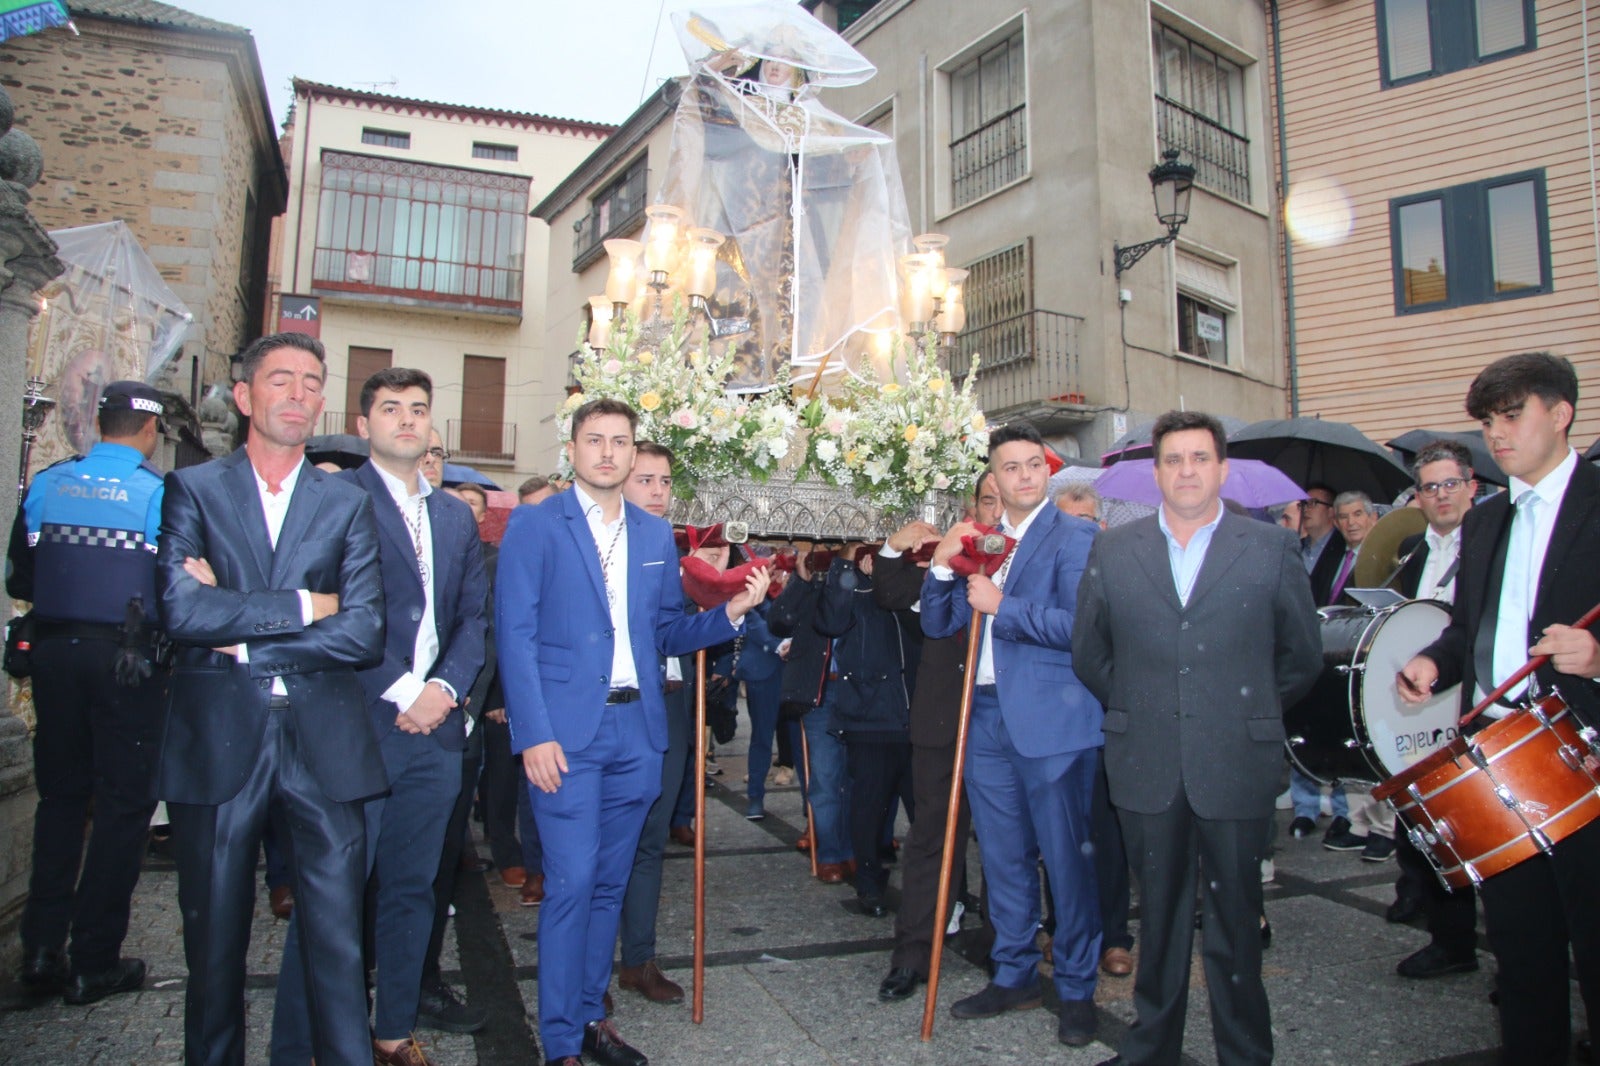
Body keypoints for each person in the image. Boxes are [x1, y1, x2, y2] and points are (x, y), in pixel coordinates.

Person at [496, 398, 770, 1066]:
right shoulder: (537, 527)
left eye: (621, 441)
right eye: (596, 440)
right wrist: (532, 733)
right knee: (571, 883)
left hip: (638, 731)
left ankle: (591, 1020)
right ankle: (560, 1041)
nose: (609, 453)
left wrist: (731, 611)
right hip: (565, 734)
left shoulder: (653, 535)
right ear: (573, 448)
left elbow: (665, 633)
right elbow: (515, 634)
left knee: (611, 883)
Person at [155, 332, 387, 1066]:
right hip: (222, 736)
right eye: (280, 380)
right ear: (246, 397)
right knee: (214, 947)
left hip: (325, 736)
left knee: (338, 948)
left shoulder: (346, 504)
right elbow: (182, 614)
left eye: (312, 381)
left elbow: (364, 632)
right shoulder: (194, 489)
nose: (297, 394)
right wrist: (305, 605)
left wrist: (245, 625)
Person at [1074, 409, 1322, 1066]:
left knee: (1237, 922)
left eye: (1199, 458)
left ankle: (1245, 1053)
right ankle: (1150, 1050)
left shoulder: (1269, 549)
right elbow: (1089, 654)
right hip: (1147, 761)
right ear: (1156, 472)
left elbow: (1301, 656)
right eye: (1174, 459)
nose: (1187, 471)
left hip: (1236, 760)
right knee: (1159, 917)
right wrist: (1143, 704)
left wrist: (1245, 711)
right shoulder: (1113, 550)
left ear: (1222, 468)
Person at [271, 368, 488, 1066]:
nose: (406, 419)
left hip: (437, 732)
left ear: (431, 426)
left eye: (418, 409)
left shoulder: (454, 515)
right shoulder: (332, 499)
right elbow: (320, 607)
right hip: (359, 722)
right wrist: (404, 690)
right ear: (363, 426)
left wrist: (446, 690)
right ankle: (301, 1044)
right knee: (330, 895)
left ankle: (392, 1029)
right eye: (390, 408)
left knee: (412, 887)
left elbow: (472, 618)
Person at [1398, 352, 1600, 1066]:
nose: (1498, 434)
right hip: (1503, 759)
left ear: (1561, 413)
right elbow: (1471, 628)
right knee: (1521, 954)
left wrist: (1599, 657)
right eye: (1489, 421)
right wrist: (1435, 662)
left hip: (1586, 759)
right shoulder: (1485, 524)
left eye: (1512, 416)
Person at [921, 422, 1105, 1048]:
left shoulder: (1077, 536)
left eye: (1034, 465)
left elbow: (1083, 627)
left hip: (1053, 720)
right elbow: (940, 623)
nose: (1024, 476)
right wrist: (944, 570)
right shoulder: (986, 539)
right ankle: (1014, 970)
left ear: (1046, 473)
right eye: (1011, 468)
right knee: (1000, 855)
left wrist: (1005, 606)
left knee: (1065, 859)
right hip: (987, 716)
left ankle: (1078, 988)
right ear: (993, 480)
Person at [8, 381, 168, 1004]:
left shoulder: (50, 482)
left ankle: (41, 950)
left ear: (99, 424)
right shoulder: (158, 493)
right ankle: (93, 958)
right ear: (150, 432)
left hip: (54, 653)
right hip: (127, 661)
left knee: (61, 801)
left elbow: (19, 572)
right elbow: (173, 585)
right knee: (124, 806)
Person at [874, 474, 1000, 1002]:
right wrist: (892, 547)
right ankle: (913, 953)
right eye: (986, 499)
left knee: (1007, 842)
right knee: (931, 835)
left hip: (1010, 716)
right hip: (943, 716)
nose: (994, 509)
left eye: (1002, 499)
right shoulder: (950, 549)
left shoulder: (1036, 552)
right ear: (973, 505)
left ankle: (1005, 949)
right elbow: (893, 593)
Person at [1386, 438, 1481, 980]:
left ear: (1471, 487)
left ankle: (1475, 945)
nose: (1441, 495)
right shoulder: (1413, 552)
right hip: (1421, 702)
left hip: (1469, 702)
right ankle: (1446, 932)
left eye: (1451, 484)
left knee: (1468, 828)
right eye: (1430, 487)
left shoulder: (1492, 544)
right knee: (1423, 822)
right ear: (1417, 497)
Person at [614, 440, 693, 1004]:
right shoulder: (604, 546)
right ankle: (590, 967)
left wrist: (721, 600)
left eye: (665, 481)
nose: (658, 492)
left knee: (650, 839)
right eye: (646, 480)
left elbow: (677, 627)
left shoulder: (674, 545)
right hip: (618, 708)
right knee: (605, 844)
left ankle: (637, 958)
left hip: (669, 704)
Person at [814, 544, 916, 918]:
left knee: (924, 810)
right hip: (868, 715)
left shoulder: (911, 585)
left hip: (916, 715)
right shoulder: (852, 588)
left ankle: (941, 886)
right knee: (868, 806)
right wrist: (845, 566)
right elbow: (830, 622)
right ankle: (869, 881)